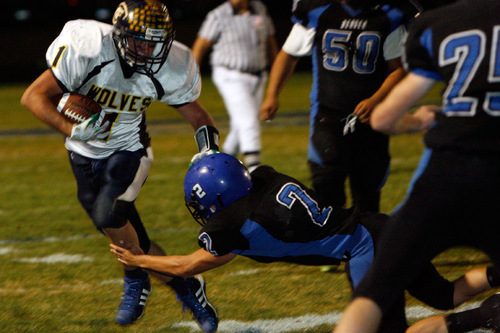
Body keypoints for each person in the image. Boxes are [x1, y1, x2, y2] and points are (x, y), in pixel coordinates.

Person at [110, 153, 499, 332]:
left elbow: (185, 266)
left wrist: (138, 259)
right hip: (382, 226)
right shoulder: (264, 177)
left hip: (365, 247)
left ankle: (485, 317)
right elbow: (235, 173)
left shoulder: (237, 225)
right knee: (447, 295)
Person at [20, 0, 219, 331]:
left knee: (108, 214)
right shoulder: (89, 48)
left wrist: (209, 151)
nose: (149, 49)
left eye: (156, 41)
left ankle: (135, 280)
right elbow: (33, 96)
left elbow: (198, 116)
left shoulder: (171, 66)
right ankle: (187, 286)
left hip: (130, 150)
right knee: (131, 241)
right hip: (82, 152)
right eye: (141, 40)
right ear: (120, 35)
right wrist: (72, 129)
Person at [332, 0, 500, 332]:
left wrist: (418, 119)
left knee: (373, 294)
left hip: (442, 177)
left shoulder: (439, 22)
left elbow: (382, 118)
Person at [260, 0, 409, 213]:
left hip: (371, 117)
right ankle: (334, 242)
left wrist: (376, 99)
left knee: (367, 193)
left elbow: (398, 69)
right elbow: (288, 54)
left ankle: (364, 243)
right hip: (328, 113)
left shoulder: (386, 16)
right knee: (326, 187)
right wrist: (271, 95)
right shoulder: (318, 10)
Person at [192, 0, 279, 172]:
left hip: (258, 75)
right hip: (230, 74)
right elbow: (201, 45)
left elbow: (269, 40)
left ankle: (220, 163)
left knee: (241, 127)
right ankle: (255, 170)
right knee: (249, 122)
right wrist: (191, 76)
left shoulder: (259, 8)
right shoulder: (218, 15)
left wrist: (277, 67)